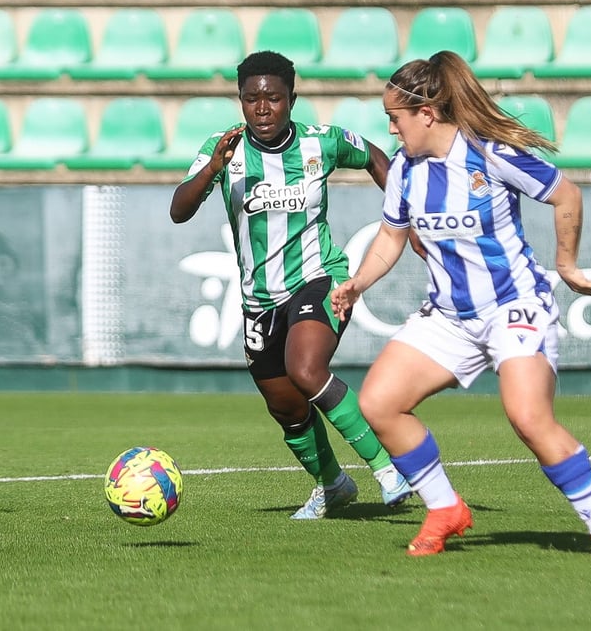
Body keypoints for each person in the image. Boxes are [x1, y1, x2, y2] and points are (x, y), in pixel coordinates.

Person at [330, 50, 591, 559]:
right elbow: (390, 238)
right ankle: (445, 507)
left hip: (514, 307)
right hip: (449, 316)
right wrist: (359, 282)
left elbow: (567, 196)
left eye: (395, 118)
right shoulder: (405, 169)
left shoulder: (488, 154)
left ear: (426, 114)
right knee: (378, 403)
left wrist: (566, 265)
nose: (392, 130)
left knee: (528, 418)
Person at [171, 50, 413, 519]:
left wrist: (405, 214)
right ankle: (332, 485)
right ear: (240, 102)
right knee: (285, 405)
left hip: (318, 278)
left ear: (291, 99)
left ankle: (387, 469)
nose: (263, 109)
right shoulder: (222, 149)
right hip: (258, 299)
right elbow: (179, 210)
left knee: (306, 370)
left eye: (274, 99)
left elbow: (375, 156)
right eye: (251, 99)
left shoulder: (321, 142)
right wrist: (211, 169)